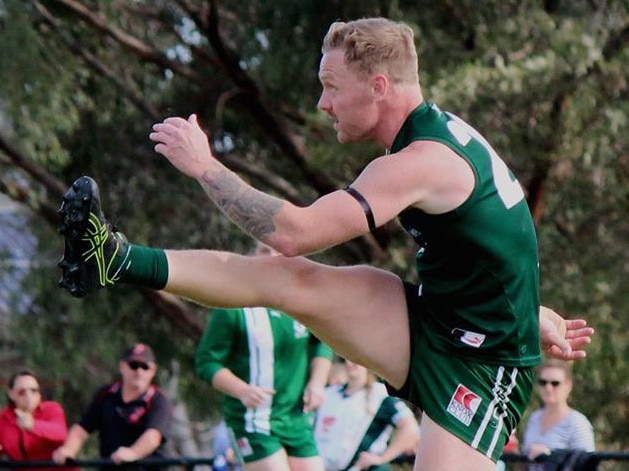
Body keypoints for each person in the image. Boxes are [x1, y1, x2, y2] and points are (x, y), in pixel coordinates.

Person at [56, 17, 594, 471]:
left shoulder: (420, 161)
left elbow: (293, 232)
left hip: (485, 365)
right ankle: (112, 258)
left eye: (332, 86)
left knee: (289, 256)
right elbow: (500, 239)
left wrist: (205, 167)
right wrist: (531, 310)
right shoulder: (429, 141)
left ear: (379, 86)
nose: (322, 102)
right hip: (439, 323)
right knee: (290, 281)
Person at [195, 242, 333, 471]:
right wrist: (242, 390)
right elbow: (206, 361)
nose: (273, 256)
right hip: (251, 422)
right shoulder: (233, 305)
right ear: (251, 257)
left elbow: (324, 341)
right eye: (264, 250)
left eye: (279, 250)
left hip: (296, 420)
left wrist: (317, 382)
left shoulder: (302, 302)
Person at [52, 344, 172, 471]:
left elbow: (153, 437)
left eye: (145, 367)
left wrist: (133, 453)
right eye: (134, 365)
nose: (139, 371)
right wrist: (68, 450)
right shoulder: (105, 395)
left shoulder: (159, 399)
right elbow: (81, 429)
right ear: (122, 367)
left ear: (153, 371)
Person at [314, 359, 419, 471]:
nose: (350, 363)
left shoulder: (381, 396)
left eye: (355, 359)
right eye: (347, 358)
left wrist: (382, 458)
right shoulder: (329, 394)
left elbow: (410, 429)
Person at [521, 360, 595, 468]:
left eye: (555, 383)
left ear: (568, 386)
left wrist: (551, 456)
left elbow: (585, 464)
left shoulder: (578, 423)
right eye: (543, 382)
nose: (548, 388)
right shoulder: (534, 418)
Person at [0, 369, 76, 471]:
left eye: (34, 390)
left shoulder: (52, 409)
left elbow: (60, 432)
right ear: (11, 394)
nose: (29, 395)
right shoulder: (4, 418)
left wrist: (33, 425)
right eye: (22, 392)